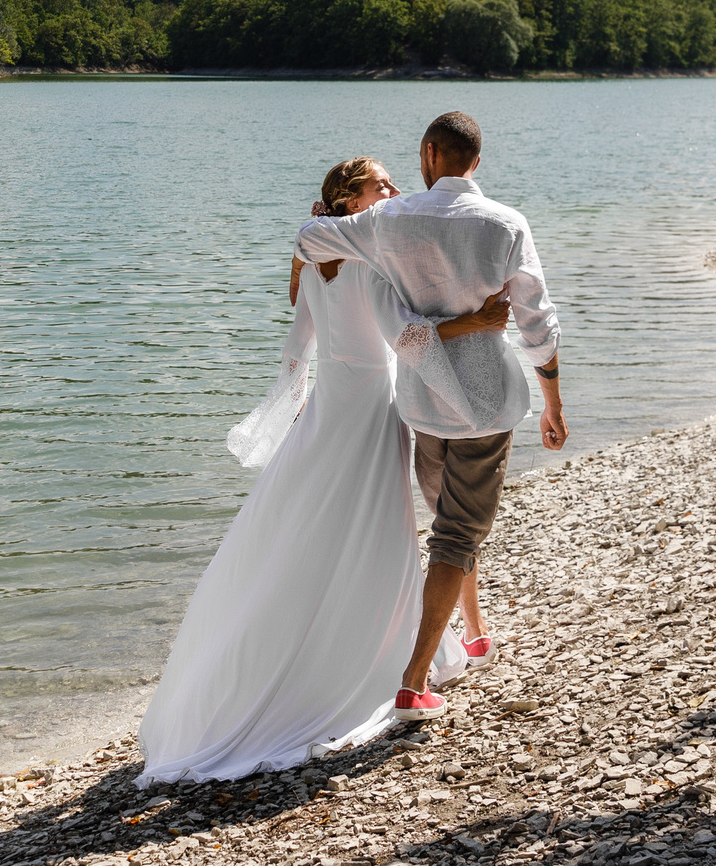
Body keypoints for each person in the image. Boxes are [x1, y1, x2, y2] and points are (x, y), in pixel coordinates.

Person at [135, 157, 510, 785]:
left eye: (393, 182)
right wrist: (473, 350)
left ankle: (452, 633)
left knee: (307, 532)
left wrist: (291, 401)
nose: (392, 191)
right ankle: (381, 658)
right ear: (349, 196)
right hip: (367, 416)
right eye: (381, 184)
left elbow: (298, 343)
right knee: (378, 532)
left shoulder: (314, 259)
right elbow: (409, 340)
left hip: (326, 416)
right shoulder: (373, 260)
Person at [293, 110, 565, 722]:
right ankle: (415, 679)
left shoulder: (388, 220)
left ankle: (470, 636)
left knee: (449, 523)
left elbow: (310, 243)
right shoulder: (506, 223)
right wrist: (552, 402)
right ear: (474, 161)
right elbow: (537, 323)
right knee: (457, 534)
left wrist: (329, 223)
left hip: (421, 404)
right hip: (485, 406)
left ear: (430, 153)